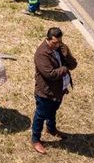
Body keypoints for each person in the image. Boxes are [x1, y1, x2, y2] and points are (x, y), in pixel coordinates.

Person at [32, 27, 78, 155]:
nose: (57, 45)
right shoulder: (42, 54)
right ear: (47, 39)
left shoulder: (60, 48)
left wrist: (66, 53)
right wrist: (64, 68)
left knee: (53, 110)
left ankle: (51, 129)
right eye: (54, 42)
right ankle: (36, 139)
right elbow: (50, 74)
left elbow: (73, 65)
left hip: (59, 90)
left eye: (59, 42)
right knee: (40, 115)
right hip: (46, 92)